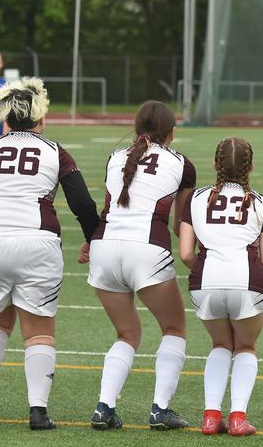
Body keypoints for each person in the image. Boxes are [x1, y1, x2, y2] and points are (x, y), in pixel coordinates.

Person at [0, 77, 99, 430]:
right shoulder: (54, 151)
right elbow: (82, 202)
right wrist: (91, 239)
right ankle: (37, 410)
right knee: (39, 331)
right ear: (40, 118)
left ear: (5, 117)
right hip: (36, 242)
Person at [81, 100, 196, 431]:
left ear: (136, 128)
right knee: (173, 329)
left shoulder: (116, 157)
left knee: (126, 333)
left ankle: (104, 407)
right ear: (171, 133)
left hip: (104, 248)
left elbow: (108, 208)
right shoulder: (182, 164)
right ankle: (160, 409)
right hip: (146, 249)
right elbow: (181, 224)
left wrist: (90, 243)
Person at [178, 137, 263, 436]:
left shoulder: (195, 199)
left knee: (220, 345)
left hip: (205, 280)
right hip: (247, 281)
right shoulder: (261, 203)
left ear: (215, 165)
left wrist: (209, 273)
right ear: (251, 167)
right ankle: (237, 418)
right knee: (245, 347)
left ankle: (210, 417)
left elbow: (185, 252)